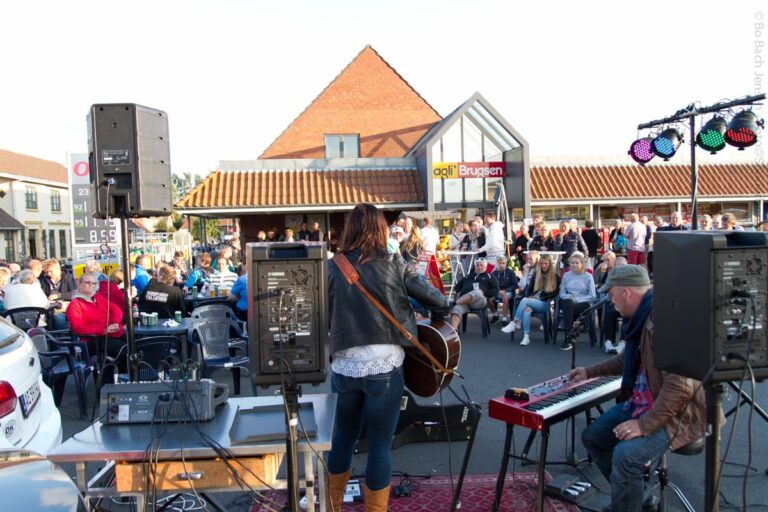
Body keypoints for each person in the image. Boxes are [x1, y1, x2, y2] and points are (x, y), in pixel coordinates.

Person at [326, 203, 449, 512]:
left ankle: (331, 506)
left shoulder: (333, 265)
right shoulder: (395, 263)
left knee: (343, 437)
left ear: (350, 229)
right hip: (384, 363)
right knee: (380, 443)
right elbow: (437, 300)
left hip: (344, 364)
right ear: (380, 229)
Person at [568, 265, 710, 512]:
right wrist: (589, 372)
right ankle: (637, 497)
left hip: (678, 415)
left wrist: (644, 425)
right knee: (594, 437)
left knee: (626, 456)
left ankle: (627, 503)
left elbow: (679, 387)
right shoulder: (643, 319)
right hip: (647, 402)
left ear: (626, 293)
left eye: (611, 295)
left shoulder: (663, 322)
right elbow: (627, 360)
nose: (611, 302)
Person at [502, 254, 561, 344]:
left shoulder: (555, 276)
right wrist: (529, 295)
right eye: (541, 263)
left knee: (525, 300)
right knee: (527, 310)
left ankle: (514, 322)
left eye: (546, 263)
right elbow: (528, 288)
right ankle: (526, 337)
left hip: (545, 303)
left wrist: (539, 297)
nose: (543, 266)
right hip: (533, 301)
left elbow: (555, 293)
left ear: (550, 264)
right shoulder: (536, 274)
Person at [67, 272, 125, 358]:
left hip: (111, 334)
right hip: (93, 339)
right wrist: (104, 330)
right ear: (79, 284)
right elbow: (79, 328)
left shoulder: (98, 298)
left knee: (135, 344)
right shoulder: (75, 304)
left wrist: (114, 322)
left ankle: (123, 370)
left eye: (93, 283)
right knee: (124, 350)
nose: (91, 285)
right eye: (87, 282)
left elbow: (116, 309)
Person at [558, 252, 597, 349]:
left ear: (582, 264)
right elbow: (562, 293)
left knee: (569, 306)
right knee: (568, 303)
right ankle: (569, 335)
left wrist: (577, 299)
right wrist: (569, 297)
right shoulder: (566, 275)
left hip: (583, 303)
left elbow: (592, 295)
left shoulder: (588, 276)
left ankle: (568, 337)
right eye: (572, 263)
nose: (574, 265)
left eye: (577, 263)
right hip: (569, 301)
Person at [448, 258, 499, 331]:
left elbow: (495, 290)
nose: (479, 267)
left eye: (481, 265)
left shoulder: (490, 276)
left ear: (485, 267)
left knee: (477, 291)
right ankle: (454, 331)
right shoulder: (468, 276)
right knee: (456, 310)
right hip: (464, 302)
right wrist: (459, 291)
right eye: (477, 265)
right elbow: (457, 286)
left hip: (479, 301)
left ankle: (454, 303)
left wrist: (484, 293)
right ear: (475, 266)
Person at [38, 259, 76, 330]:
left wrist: (59, 295)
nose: (48, 274)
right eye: (46, 272)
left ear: (58, 269)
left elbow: (74, 293)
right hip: (51, 307)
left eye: (51, 271)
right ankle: (60, 336)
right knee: (57, 317)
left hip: (66, 305)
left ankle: (63, 336)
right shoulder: (44, 279)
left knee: (61, 317)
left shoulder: (68, 277)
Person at [489, 255, 518, 325]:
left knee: (505, 296)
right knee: (489, 298)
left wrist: (506, 290)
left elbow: (515, 285)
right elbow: (491, 285)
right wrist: (497, 291)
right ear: (497, 263)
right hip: (497, 291)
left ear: (506, 263)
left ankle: (504, 318)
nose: (502, 265)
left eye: (503, 263)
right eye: (500, 263)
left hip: (508, 292)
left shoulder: (511, 272)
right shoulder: (494, 273)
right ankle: (495, 315)